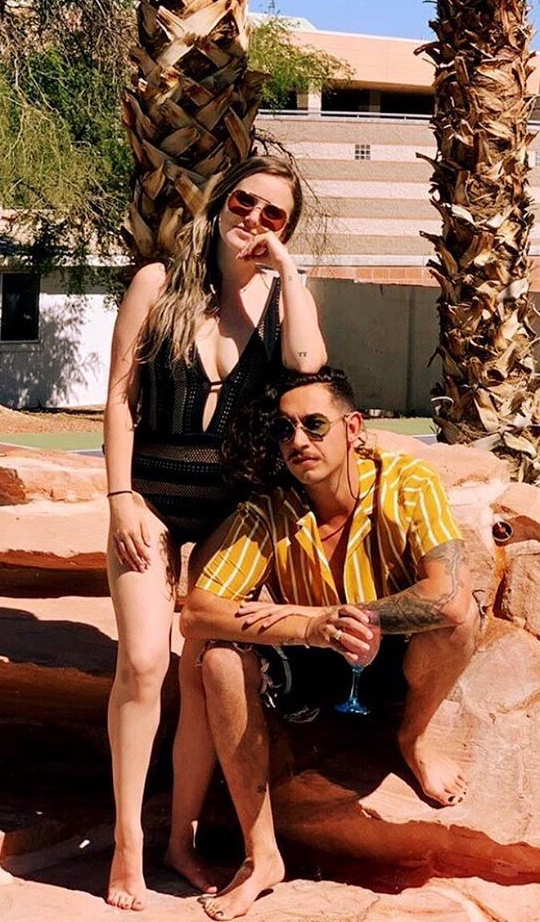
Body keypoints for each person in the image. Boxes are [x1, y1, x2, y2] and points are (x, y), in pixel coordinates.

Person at [102, 155, 327, 911]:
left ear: (286, 228)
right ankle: (128, 846)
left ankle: (181, 838)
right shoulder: (158, 284)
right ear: (221, 201)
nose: (253, 219)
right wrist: (121, 498)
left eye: (274, 214)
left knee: (202, 670)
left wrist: (286, 270)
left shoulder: (282, 300)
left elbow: (309, 365)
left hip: (235, 513)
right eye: (244, 201)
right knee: (143, 663)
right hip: (151, 504)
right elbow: (120, 401)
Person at [180, 367, 482, 921]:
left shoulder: (407, 482)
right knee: (219, 659)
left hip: (396, 656)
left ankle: (413, 737)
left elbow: (447, 596)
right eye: (284, 430)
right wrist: (311, 627)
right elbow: (198, 612)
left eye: (314, 425)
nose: (298, 441)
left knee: (462, 620)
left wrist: (343, 618)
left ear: (353, 427)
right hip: (314, 665)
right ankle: (262, 856)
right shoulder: (271, 510)